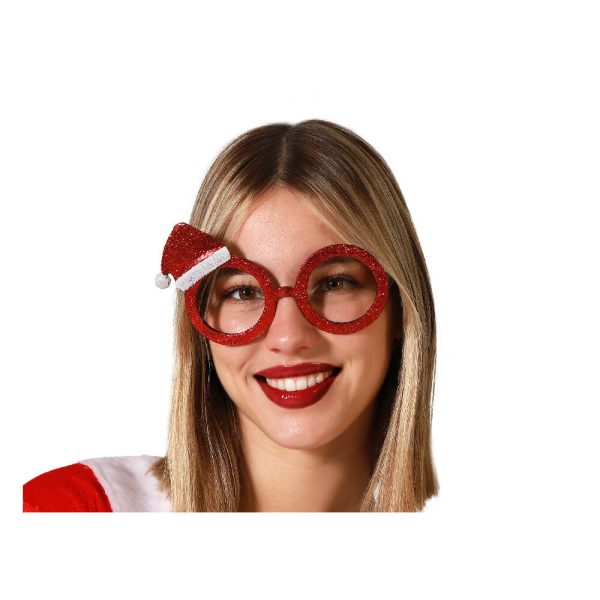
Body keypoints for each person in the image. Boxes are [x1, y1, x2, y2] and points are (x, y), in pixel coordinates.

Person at [23, 119, 438, 512]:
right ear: (200, 323)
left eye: (334, 283)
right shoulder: (71, 509)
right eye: (243, 292)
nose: (289, 337)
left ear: (400, 305)